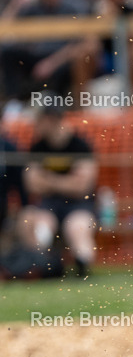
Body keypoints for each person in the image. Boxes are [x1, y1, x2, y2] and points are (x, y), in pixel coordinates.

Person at [17, 104, 98, 277]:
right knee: (41, 225)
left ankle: (82, 268)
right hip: (49, 204)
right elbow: (32, 185)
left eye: (39, 119)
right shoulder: (38, 147)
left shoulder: (80, 145)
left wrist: (48, 180)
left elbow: (82, 187)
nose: (35, 124)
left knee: (78, 227)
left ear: (51, 119)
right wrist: (68, 182)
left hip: (79, 205)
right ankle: (44, 266)